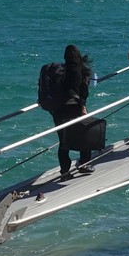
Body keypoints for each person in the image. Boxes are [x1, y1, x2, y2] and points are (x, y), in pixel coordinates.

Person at [52, 44, 96, 181]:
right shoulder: (80, 70)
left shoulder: (60, 70)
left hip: (58, 110)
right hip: (74, 107)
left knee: (63, 141)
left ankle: (64, 172)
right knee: (84, 135)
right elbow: (84, 92)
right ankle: (85, 164)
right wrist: (83, 106)